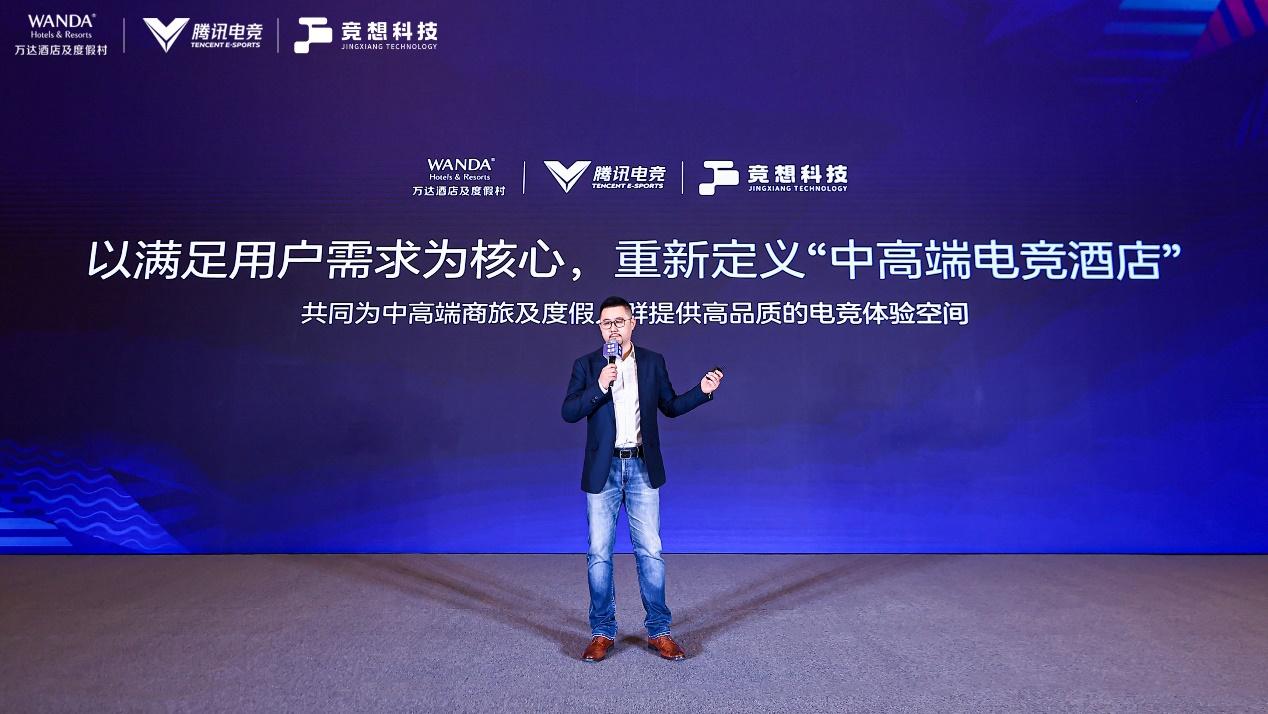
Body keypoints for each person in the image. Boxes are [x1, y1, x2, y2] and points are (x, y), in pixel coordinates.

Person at [560, 296, 724, 663]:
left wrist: (702, 392)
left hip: (641, 467)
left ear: (632, 323)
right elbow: (569, 411)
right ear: (599, 327)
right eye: (606, 323)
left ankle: (659, 631)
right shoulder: (587, 365)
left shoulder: (652, 362)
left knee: (650, 551)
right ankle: (602, 632)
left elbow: (671, 406)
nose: (613, 329)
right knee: (599, 553)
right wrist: (599, 386)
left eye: (619, 321)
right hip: (602, 470)